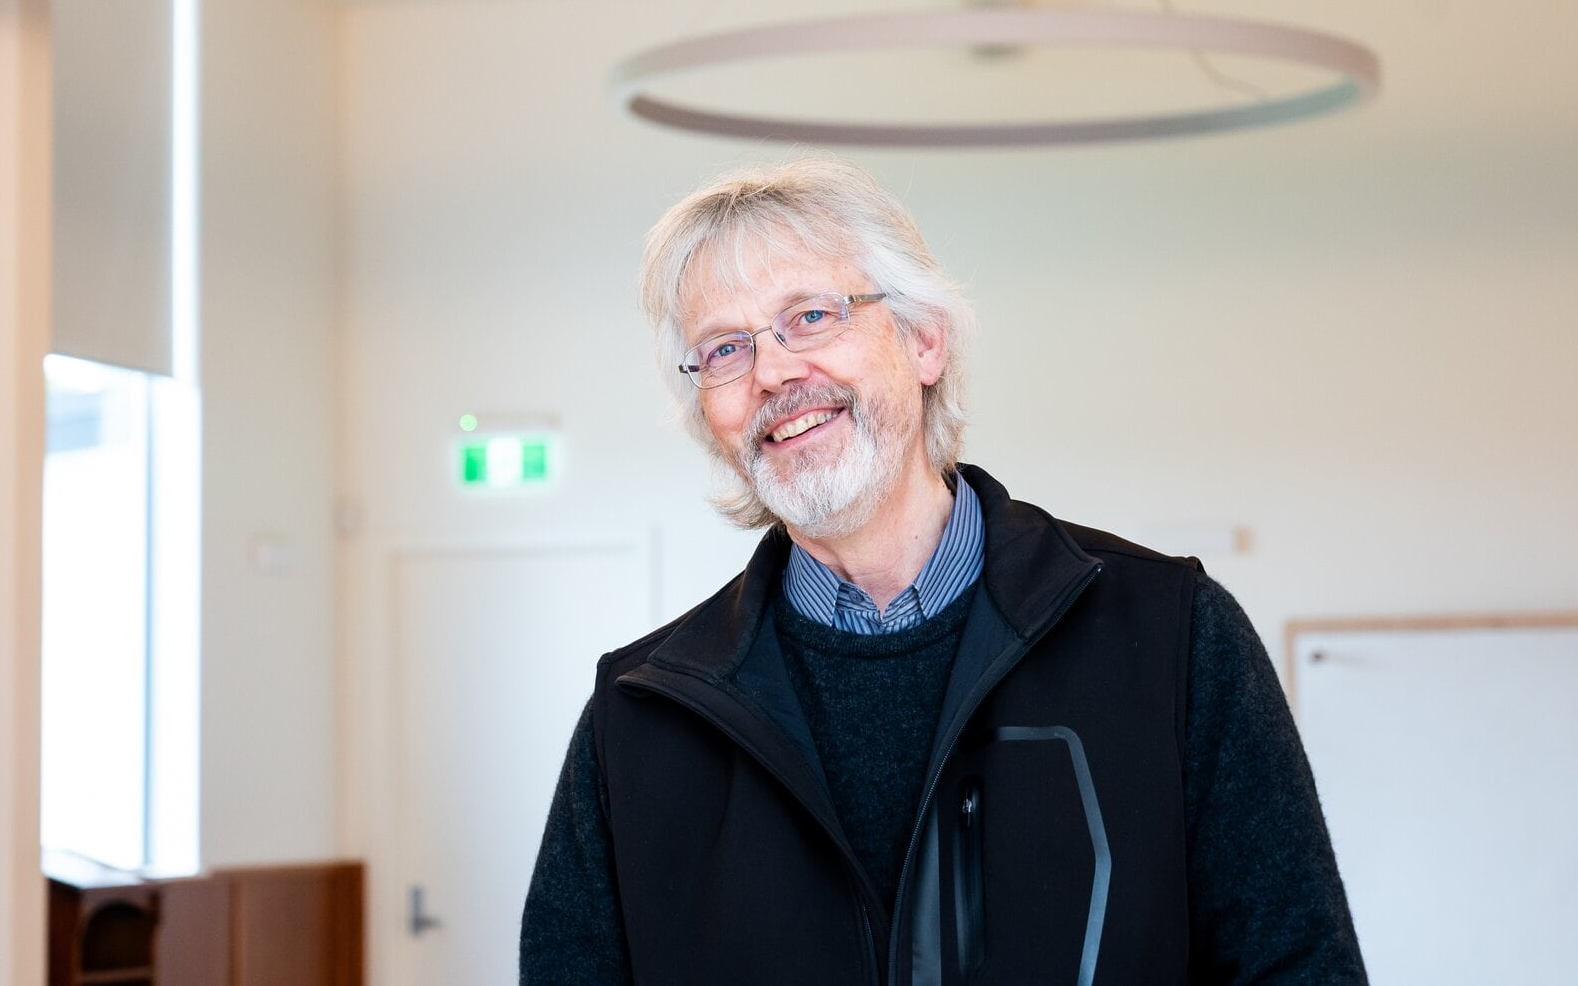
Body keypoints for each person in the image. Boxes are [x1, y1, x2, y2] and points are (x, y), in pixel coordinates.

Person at [522, 157, 1368, 985]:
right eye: (723, 350)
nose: (773, 371)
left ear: (924, 340)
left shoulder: (1172, 639)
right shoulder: (636, 724)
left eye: (810, 315)